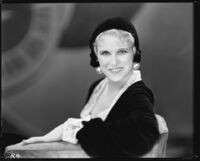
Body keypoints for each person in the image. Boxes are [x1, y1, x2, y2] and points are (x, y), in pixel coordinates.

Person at [21, 17, 160, 157]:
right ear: (96, 56)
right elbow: (85, 128)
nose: (114, 62)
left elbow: (144, 136)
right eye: (105, 53)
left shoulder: (137, 94)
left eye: (122, 52)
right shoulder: (97, 87)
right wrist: (47, 138)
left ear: (134, 52)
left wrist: (80, 132)